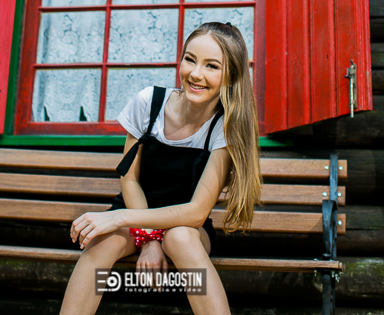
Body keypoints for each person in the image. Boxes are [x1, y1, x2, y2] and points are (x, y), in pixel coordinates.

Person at [60, 21, 262, 315]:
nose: (196, 73)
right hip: (135, 210)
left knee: (179, 237)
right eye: (190, 59)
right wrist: (148, 241)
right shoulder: (149, 103)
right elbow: (130, 180)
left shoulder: (224, 127)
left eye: (211, 66)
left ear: (231, 75)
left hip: (187, 225)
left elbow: (196, 212)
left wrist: (124, 220)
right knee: (101, 242)